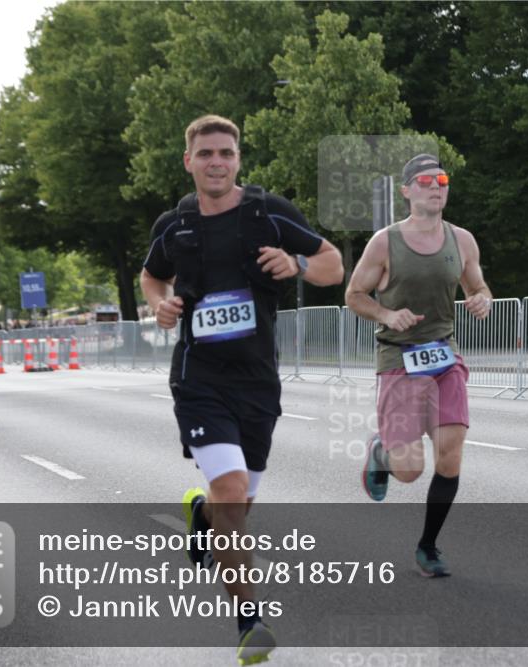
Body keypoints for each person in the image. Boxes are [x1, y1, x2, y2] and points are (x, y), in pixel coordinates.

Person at [140, 114, 343, 665]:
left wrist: (296, 262)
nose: (216, 163)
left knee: (238, 505)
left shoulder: (268, 214)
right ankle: (250, 622)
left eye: (225, 153)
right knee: (232, 489)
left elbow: (333, 265)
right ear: (189, 161)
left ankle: (202, 514)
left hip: (258, 380)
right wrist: (158, 302)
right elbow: (151, 274)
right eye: (205, 154)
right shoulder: (175, 225)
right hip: (199, 379)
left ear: (238, 160)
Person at [345, 153, 492, 578]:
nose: (436, 185)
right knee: (409, 470)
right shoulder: (384, 242)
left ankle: (428, 546)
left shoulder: (461, 240)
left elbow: (478, 284)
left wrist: (482, 298)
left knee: (450, 457)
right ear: (407, 190)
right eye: (426, 180)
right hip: (398, 358)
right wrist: (388, 315)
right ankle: (382, 451)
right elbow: (354, 294)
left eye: (442, 179)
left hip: (444, 356)